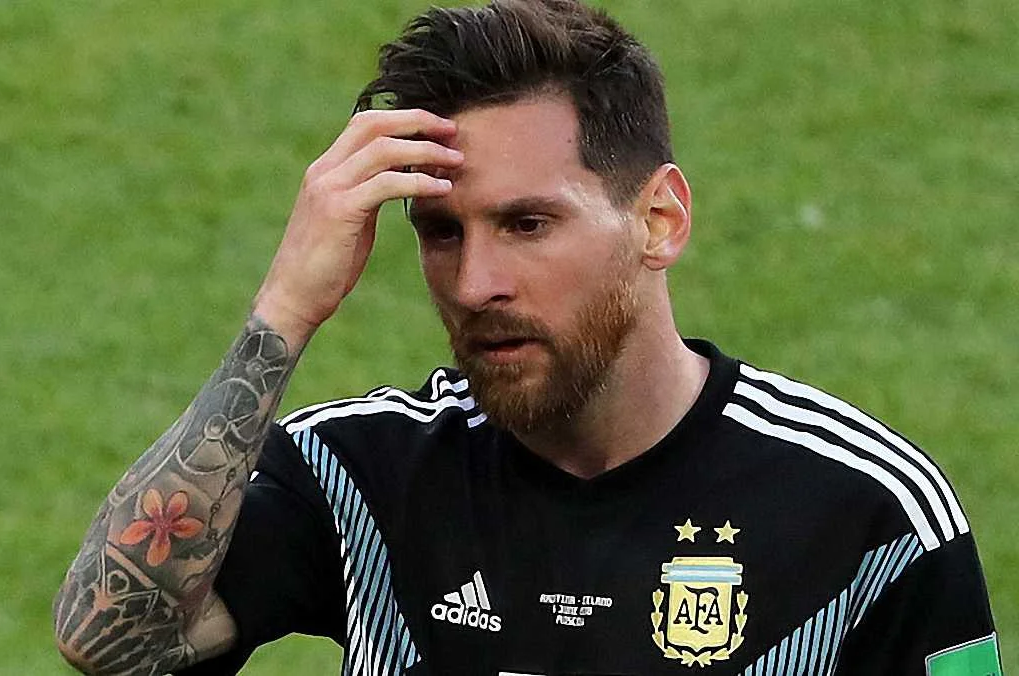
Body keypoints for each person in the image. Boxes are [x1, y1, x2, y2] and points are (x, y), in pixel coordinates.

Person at [53, 1, 1001, 674]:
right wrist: (285, 309)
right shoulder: (360, 478)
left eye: (528, 224)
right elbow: (112, 642)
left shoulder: (868, 513)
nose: (476, 284)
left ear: (659, 221)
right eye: (441, 233)